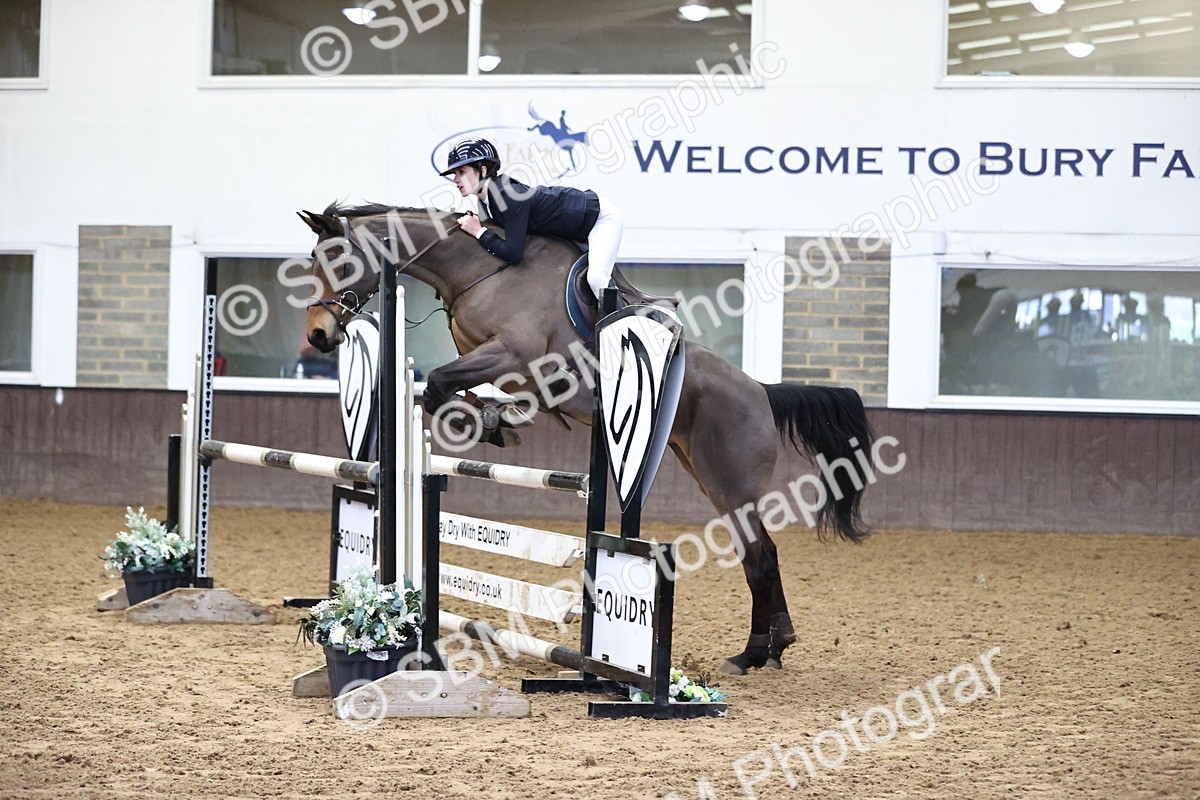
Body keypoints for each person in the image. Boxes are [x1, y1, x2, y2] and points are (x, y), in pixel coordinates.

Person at [442, 137, 622, 301]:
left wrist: (479, 231)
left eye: (461, 171)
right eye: (454, 174)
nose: (455, 179)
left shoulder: (509, 196)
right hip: (574, 227)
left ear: (482, 170)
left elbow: (514, 254)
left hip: (599, 218)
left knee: (596, 279)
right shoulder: (485, 202)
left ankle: (622, 324)